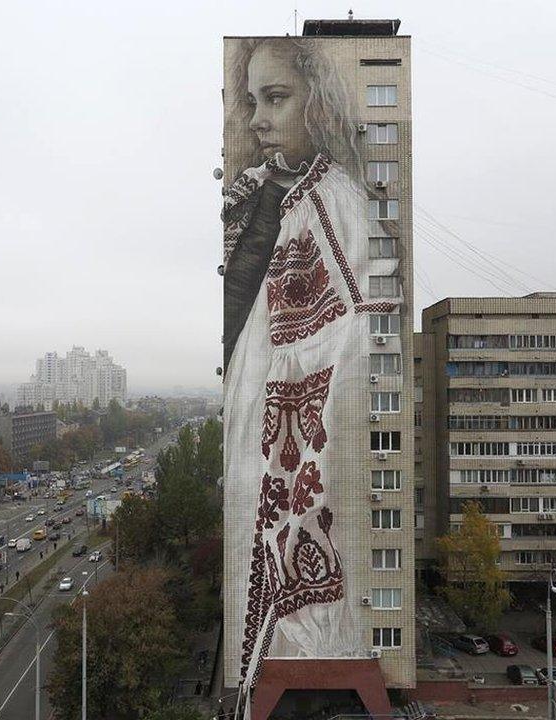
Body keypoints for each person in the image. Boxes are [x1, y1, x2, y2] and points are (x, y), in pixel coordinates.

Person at [222, 37, 394, 686]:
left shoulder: (339, 204)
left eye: (276, 99)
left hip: (303, 461)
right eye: (250, 102)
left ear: (317, 103)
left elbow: (348, 349)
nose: (259, 119)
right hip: (263, 448)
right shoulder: (278, 191)